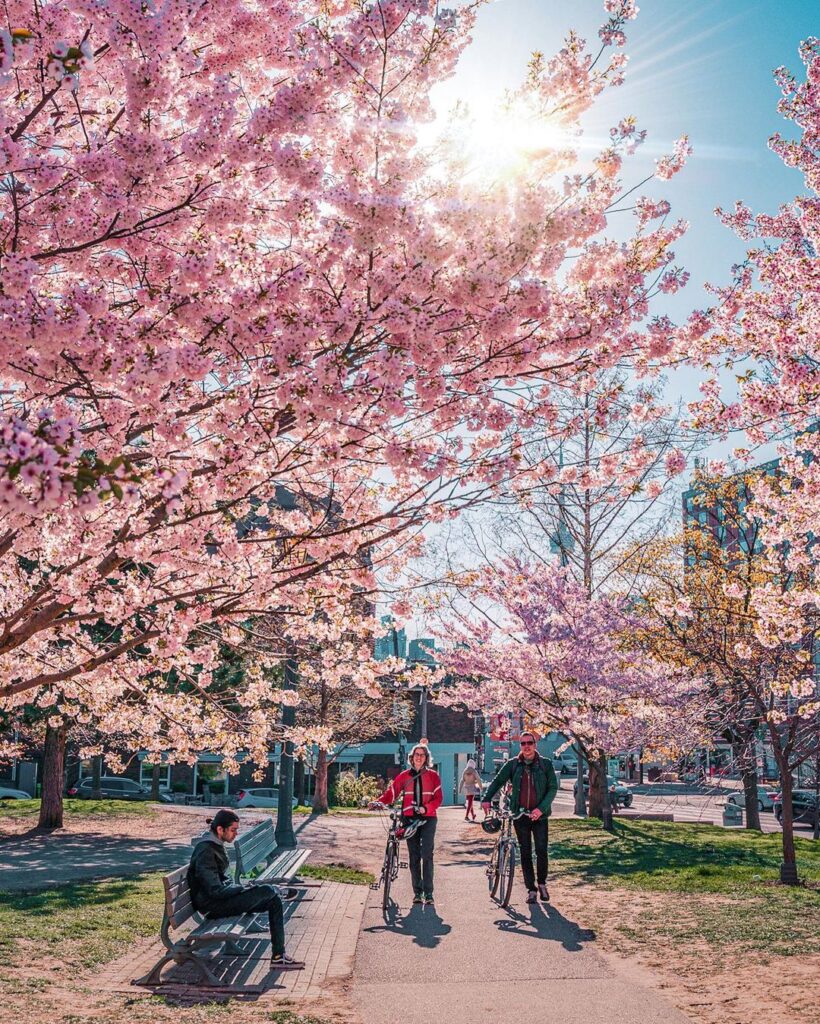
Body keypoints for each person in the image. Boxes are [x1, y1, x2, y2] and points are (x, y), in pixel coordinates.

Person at [187, 809, 304, 971]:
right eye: (233, 830)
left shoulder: (215, 845)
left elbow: (222, 884)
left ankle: (278, 956)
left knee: (273, 901)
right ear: (220, 829)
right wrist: (241, 889)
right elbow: (215, 890)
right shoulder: (205, 851)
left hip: (222, 900)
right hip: (213, 905)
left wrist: (241, 890)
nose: (236, 834)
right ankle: (276, 890)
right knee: (265, 891)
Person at [481, 732, 558, 904]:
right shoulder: (513, 765)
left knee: (541, 850)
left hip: (540, 815)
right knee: (525, 852)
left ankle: (542, 884)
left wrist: (541, 808)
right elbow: (497, 781)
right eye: (523, 743)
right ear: (520, 746)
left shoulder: (545, 764)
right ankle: (531, 889)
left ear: (535, 744)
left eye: (529, 742)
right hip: (520, 814)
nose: (526, 746)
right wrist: (486, 798)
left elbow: (553, 788)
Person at [370, 744, 442, 905]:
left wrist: (426, 808)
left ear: (426, 758)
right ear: (411, 757)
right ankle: (417, 893)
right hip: (409, 819)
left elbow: (438, 798)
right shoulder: (404, 776)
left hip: (428, 819)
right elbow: (391, 794)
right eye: (416, 754)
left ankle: (428, 893)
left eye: (422, 755)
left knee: (427, 854)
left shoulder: (433, 776)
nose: (419, 757)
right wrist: (378, 802)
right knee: (414, 856)